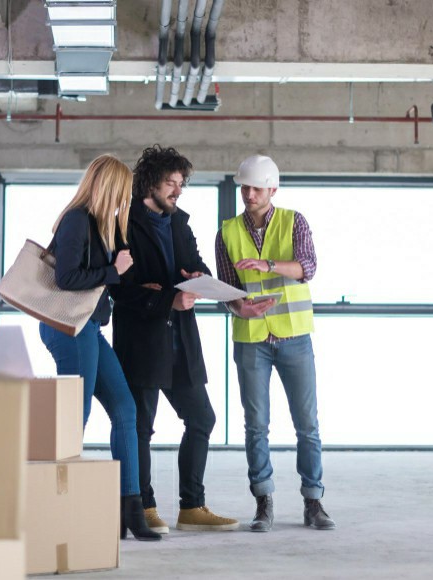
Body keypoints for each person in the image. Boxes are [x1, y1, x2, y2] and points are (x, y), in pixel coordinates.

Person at [109, 145, 238, 534]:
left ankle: (192, 507)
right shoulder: (123, 223)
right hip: (143, 340)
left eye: (181, 184)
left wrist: (195, 278)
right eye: (171, 183)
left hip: (181, 336)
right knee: (141, 427)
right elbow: (119, 287)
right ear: (150, 182)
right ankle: (143, 506)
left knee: (202, 417)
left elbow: (195, 262)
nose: (177, 191)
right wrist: (168, 297)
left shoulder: (179, 222)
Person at [38, 154, 161, 542]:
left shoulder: (102, 225)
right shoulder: (77, 220)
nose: (126, 199)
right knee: (77, 415)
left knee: (126, 408)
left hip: (89, 326)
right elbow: (67, 276)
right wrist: (114, 270)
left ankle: (131, 509)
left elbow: (107, 277)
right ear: (109, 187)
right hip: (68, 327)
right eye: (123, 191)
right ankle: (55, 503)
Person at [214, 154, 336, 532]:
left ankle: (313, 502)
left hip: (294, 336)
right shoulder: (227, 231)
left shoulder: (293, 221)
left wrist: (268, 265)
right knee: (256, 426)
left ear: (272, 189)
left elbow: (308, 267)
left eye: (255, 188)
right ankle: (263, 502)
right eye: (244, 188)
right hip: (251, 338)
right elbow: (226, 290)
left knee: (307, 425)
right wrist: (239, 308)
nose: (248, 194)